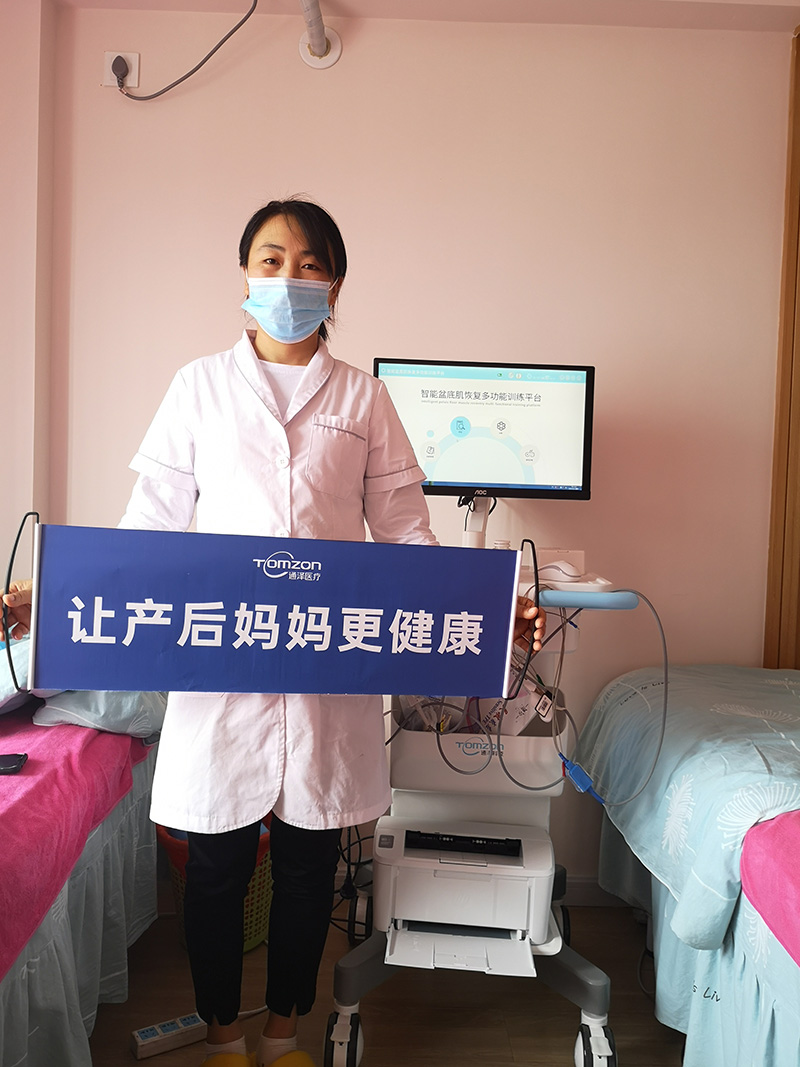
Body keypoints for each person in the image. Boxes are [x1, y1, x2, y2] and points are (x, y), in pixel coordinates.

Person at [2, 198, 544, 1067]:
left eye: (308, 262)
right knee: (215, 872)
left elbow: (407, 537)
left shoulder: (363, 396)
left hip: (327, 679)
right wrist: (58, 591)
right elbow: (148, 531)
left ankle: (284, 1033)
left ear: (335, 284)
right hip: (223, 676)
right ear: (245, 275)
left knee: (307, 871)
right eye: (270, 259)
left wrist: (488, 604)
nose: (288, 277)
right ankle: (224, 1038)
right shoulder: (198, 387)